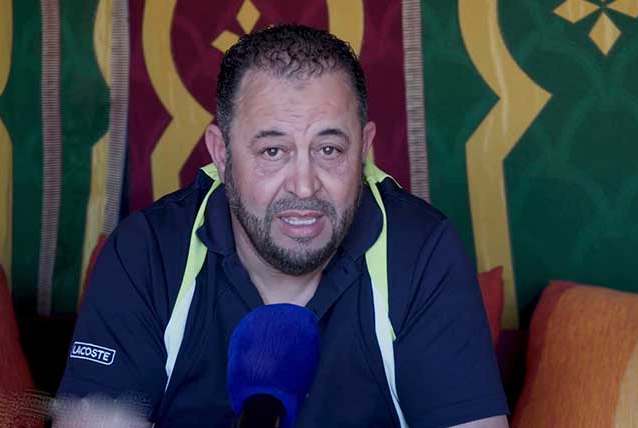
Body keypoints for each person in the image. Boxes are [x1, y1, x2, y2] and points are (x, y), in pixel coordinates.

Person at [56, 24, 508, 428]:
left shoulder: (422, 251)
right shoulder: (146, 252)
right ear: (221, 154)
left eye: (329, 150)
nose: (304, 186)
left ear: (364, 148)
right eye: (273, 151)